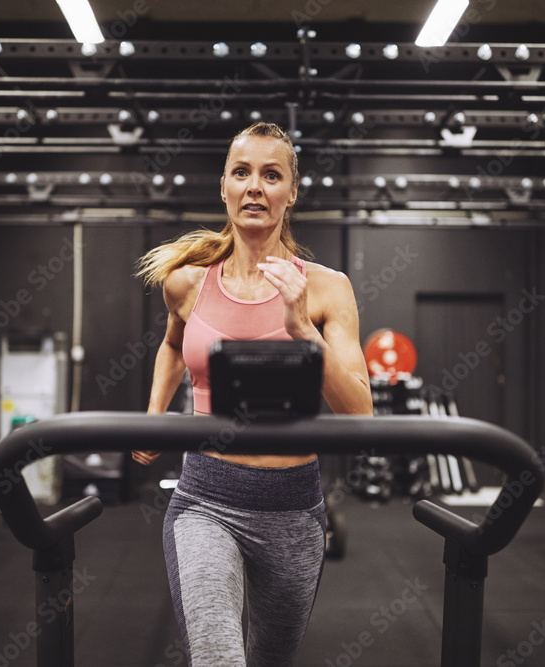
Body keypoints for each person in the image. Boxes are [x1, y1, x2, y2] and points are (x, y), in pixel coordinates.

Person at [132, 121, 372, 666]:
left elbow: (359, 410)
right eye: (242, 173)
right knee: (220, 660)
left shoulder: (328, 288)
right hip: (206, 501)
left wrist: (303, 330)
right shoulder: (187, 282)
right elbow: (173, 346)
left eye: (271, 175)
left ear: (292, 192)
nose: (255, 187)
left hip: (293, 507)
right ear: (224, 187)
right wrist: (153, 414)